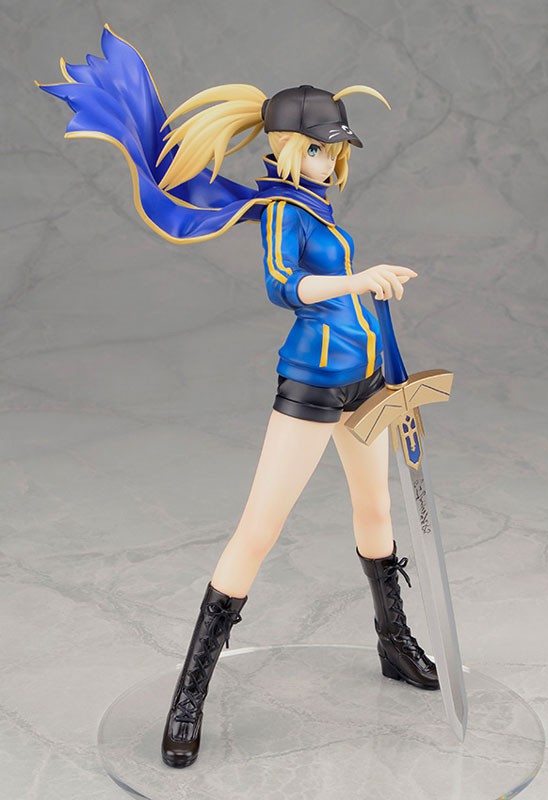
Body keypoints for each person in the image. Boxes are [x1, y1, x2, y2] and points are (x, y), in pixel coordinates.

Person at [36, 25, 440, 771]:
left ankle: (392, 641)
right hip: (313, 381)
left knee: (376, 513)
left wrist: (386, 351)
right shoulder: (283, 210)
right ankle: (189, 694)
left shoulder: (317, 207)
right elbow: (285, 287)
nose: (329, 162)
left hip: (365, 377)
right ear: (286, 148)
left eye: (334, 152)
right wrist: (359, 278)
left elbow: (350, 302)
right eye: (318, 150)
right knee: (259, 528)